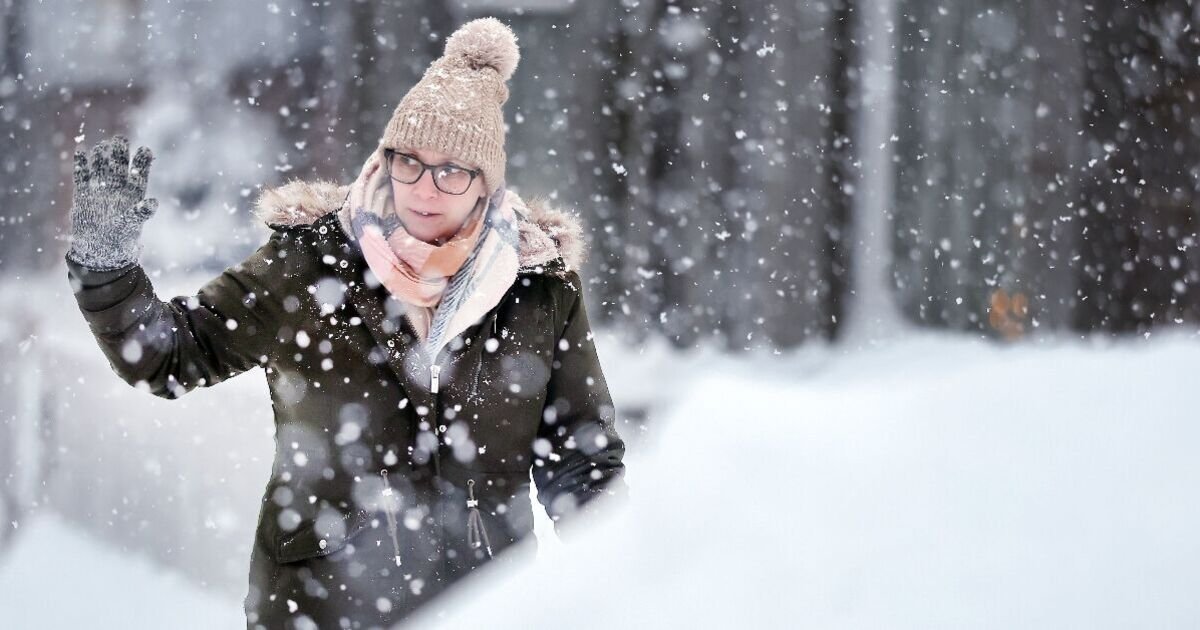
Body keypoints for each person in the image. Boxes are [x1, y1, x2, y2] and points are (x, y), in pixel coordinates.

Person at [64, 17, 625, 629]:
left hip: (480, 609)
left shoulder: (537, 290)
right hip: (319, 609)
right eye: (408, 161)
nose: (424, 188)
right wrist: (106, 269)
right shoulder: (309, 264)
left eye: (451, 170)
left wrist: (630, 585)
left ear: (485, 186)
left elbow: (582, 460)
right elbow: (170, 356)